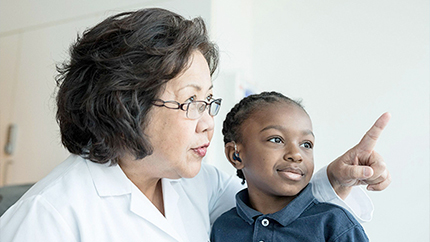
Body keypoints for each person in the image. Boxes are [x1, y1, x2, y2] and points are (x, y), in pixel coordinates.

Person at [0, 8, 390, 242]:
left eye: (210, 102)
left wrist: (334, 180)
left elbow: (272, 212)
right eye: (191, 102)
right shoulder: (48, 217)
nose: (209, 123)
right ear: (126, 105)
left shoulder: (196, 182)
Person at [211, 91, 373, 241]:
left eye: (306, 144)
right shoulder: (223, 227)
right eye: (276, 139)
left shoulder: (334, 224)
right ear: (236, 155)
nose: (296, 154)